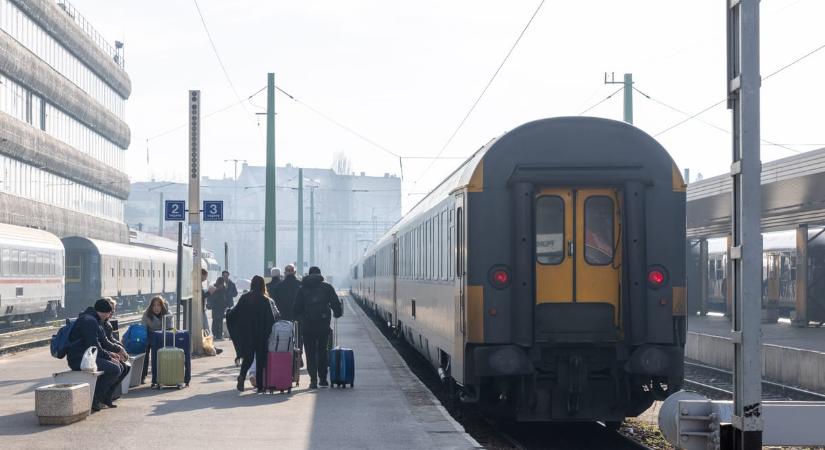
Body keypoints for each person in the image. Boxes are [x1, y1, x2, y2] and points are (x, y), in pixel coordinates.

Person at [65, 299, 123, 411]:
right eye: (109, 313)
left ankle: (104, 398)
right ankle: (94, 400)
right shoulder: (89, 322)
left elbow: (100, 344)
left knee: (119, 366)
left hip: (87, 357)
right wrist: (110, 356)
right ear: (105, 312)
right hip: (79, 359)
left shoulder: (93, 319)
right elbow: (94, 347)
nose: (109, 316)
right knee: (115, 369)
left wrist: (111, 354)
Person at [293, 266, 342, 389]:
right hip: (323, 325)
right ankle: (323, 379)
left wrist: (300, 317)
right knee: (322, 351)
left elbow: (295, 309)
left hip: (307, 326)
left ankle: (313, 380)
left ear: (308, 275)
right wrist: (337, 313)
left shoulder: (302, 289)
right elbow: (335, 304)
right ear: (320, 274)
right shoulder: (327, 287)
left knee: (309, 353)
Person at [232, 275, 278, 392]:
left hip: (247, 334)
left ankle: (242, 376)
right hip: (261, 335)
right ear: (263, 285)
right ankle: (260, 386)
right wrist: (268, 334)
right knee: (260, 359)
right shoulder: (265, 300)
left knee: (248, 358)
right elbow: (271, 320)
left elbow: (234, 314)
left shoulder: (244, 298)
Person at [100, 298, 130, 396]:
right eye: (110, 309)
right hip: (101, 353)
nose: (112, 312)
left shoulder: (107, 323)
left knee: (126, 367)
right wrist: (116, 351)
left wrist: (121, 347)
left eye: (113, 309)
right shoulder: (99, 323)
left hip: (106, 352)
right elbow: (104, 343)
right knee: (117, 368)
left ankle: (109, 395)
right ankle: (101, 396)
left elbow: (111, 339)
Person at [140, 296, 168, 384]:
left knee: (159, 354)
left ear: (162, 306)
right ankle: (142, 376)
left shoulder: (167, 314)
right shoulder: (146, 314)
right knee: (145, 353)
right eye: (154, 306)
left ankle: (160, 375)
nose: (156, 308)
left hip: (161, 337)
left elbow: (169, 328)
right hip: (149, 335)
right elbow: (143, 327)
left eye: (158, 305)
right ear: (151, 306)